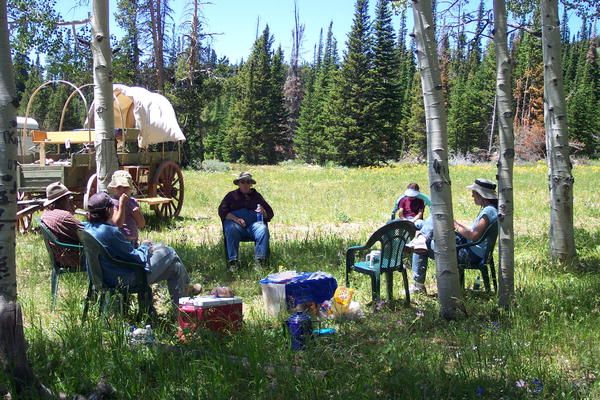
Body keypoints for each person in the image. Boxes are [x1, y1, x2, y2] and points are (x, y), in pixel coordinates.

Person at [84, 192, 200, 306]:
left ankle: (179, 303)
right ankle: (182, 308)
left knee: (175, 267)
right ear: (109, 210)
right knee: (170, 252)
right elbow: (136, 258)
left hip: (104, 277)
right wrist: (144, 246)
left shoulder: (87, 229)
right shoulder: (110, 232)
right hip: (126, 279)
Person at [408, 178, 498, 294]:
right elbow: (473, 232)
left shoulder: (489, 211)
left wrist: (455, 225)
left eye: (474, 193)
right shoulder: (491, 210)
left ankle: (418, 285)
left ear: (482, 195)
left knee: (421, 246)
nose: (472, 195)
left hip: (470, 255)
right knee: (428, 223)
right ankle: (421, 237)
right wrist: (455, 223)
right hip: (471, 250)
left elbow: (474, 235)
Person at [218, 172, 274, 270]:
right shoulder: (231, 196)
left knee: (263, 229)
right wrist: (236, 219)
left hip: (254, 227)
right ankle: (233, 263)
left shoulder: (257, 196)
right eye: (243, 182)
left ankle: (260, 262)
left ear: (251, 184)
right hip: (237, 227)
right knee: (231, 229)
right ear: (239, 183)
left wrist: (263, 211)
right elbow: (222, 211)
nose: (245, 184)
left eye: (248, 182)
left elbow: (269, 213)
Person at [41, 182, 83, 269]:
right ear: (63, 199)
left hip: (60, 255)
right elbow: (89, 236)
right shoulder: (64, 216)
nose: (70, 199)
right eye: (68, 198)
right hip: (73, 257)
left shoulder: (46, 213)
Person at [108, 170, 145, 245]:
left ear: (130, 188)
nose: (122, 190)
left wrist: (137, 213)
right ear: (114, 188)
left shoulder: (133, 202)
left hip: (133, 240)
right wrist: (122, 204)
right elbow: (118, 224)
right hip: (120, 241)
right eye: (119, 187)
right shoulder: (112, 202)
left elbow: (141, 224)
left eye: (125, 187)